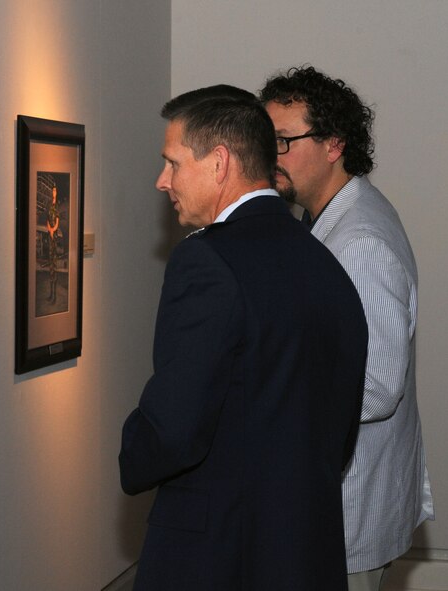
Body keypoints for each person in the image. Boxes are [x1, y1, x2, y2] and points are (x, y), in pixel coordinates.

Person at [118, 85, 369, 590]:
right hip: (304, 551)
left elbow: (174, 428)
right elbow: (337, 431)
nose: (161, 181)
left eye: (173, 162)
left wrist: (132, 447)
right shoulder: (324, 260)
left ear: (218, 163)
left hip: (220, 555)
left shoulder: (205, 260)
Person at [260, 66, 434, 591]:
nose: (272, 156)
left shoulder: (358, 241)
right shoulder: (321, 219)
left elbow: (378, 390)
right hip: (332, 502)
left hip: (348, 508)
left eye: (285, 142)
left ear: (334, 144)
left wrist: (273, 394)